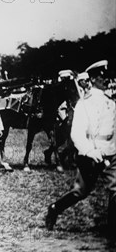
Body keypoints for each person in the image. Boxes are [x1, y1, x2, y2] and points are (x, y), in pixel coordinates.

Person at [45, 60, 116, 236]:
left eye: (106, 76)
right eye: (101, 77)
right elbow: (77, 133)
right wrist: (90, 151)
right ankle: (55, 208)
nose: (105, 80)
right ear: (92, 79)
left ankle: (112, 230)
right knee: (80, 192)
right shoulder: (84, 104)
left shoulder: (111, 103)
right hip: (91, 153)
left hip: (111, 152)